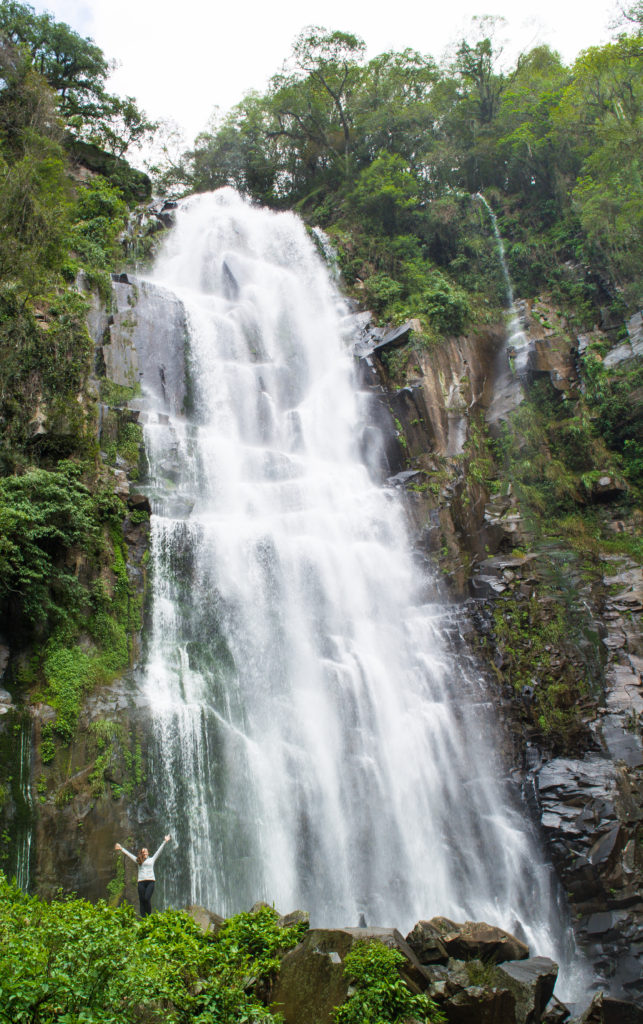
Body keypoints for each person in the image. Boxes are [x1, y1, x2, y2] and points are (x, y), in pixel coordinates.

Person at [114, 834, 171, 916]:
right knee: (142, 900)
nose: (146, 852)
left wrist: (165, 841)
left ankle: (149, 915)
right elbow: (129, 855)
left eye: (147, 851)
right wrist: (121, 848)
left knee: (147, 898)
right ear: (142, 853)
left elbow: (159, 851)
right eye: (144, 851)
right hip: (141, 882)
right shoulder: (138, 861)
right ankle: (143, 918)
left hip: (151, 882)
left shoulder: (152, 859)